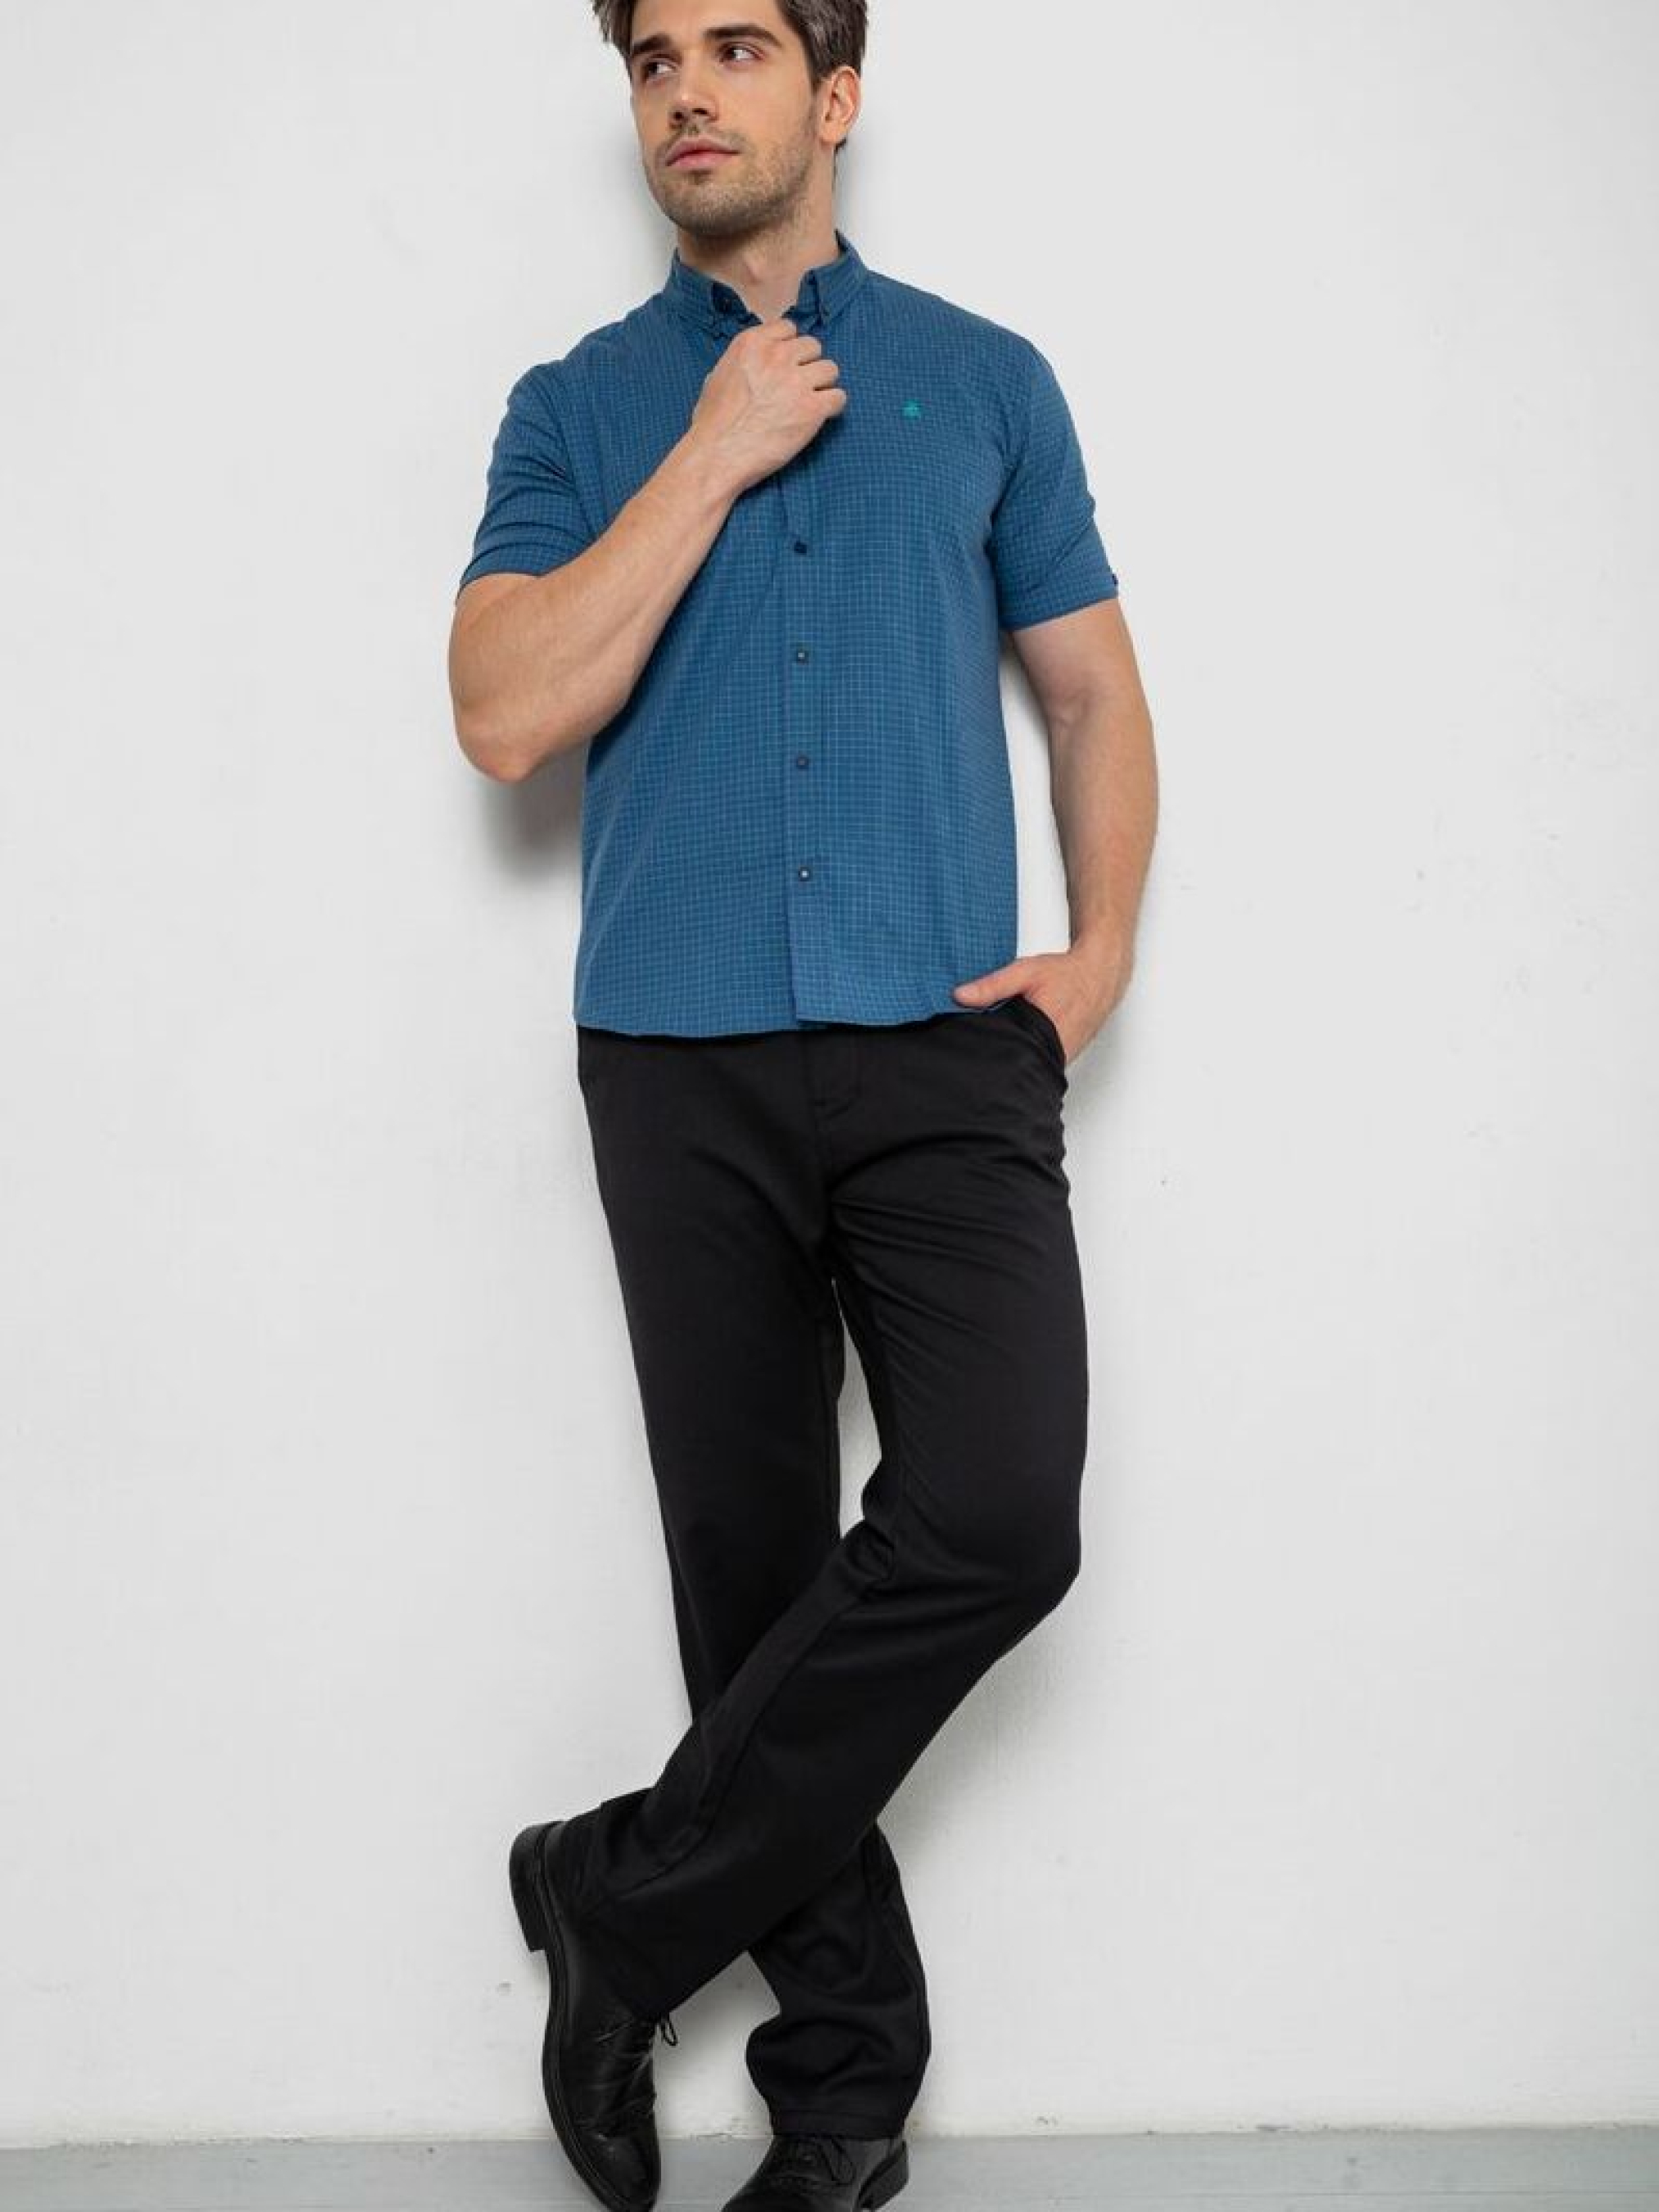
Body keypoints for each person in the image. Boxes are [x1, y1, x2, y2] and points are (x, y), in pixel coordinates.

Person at [448, 3, 1157, 2206]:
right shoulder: (577, 406)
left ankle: (615, 1894)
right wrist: (714, 450)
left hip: (945, 1041)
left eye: (740, 45)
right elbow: (503, 717)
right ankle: (842, 2103)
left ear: (831, 96)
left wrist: (1099, 956)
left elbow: (1092, 695)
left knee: (998, 1515)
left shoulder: (986, 379)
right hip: (676, 1055)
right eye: (654, 53)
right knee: (751, 1581)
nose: (689, 87)